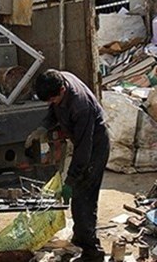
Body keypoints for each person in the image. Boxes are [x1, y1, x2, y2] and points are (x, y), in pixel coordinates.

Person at [27, 69, 110, 262]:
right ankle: (81, 238)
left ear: (63, 90)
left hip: (95, 146)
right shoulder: (56, 78)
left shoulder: (81, 106)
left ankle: (93, 252)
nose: (51, 103)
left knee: (83, 200)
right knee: (80, 201)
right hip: (84, 141)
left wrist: (70, 182)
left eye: (53, 99)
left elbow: (83, 150)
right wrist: (43, 128)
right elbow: (53, 109)